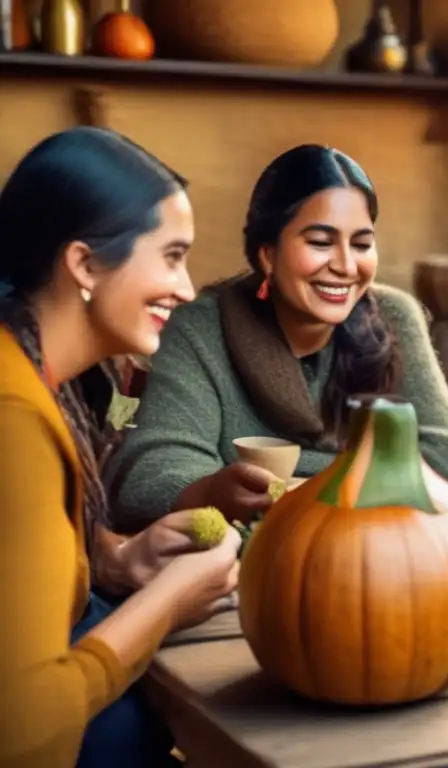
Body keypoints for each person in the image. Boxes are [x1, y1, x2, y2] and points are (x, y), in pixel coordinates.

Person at [0, 127, 241, 768]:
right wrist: (166, 603)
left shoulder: (39, 379)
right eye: (171, 256)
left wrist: (112, 561)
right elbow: (21, 735)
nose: (187, 289)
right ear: (83, 264)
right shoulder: (14, 419)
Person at [104, 145, 448, 532]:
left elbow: (441, 459)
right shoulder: (202, 327)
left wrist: (298, 491)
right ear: (268, 254)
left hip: (387, 546)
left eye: (361, 244)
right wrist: (212, 490)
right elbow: (152, 474)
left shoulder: (395, 316)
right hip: (241, 559)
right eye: (320, 242)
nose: (346, 266)